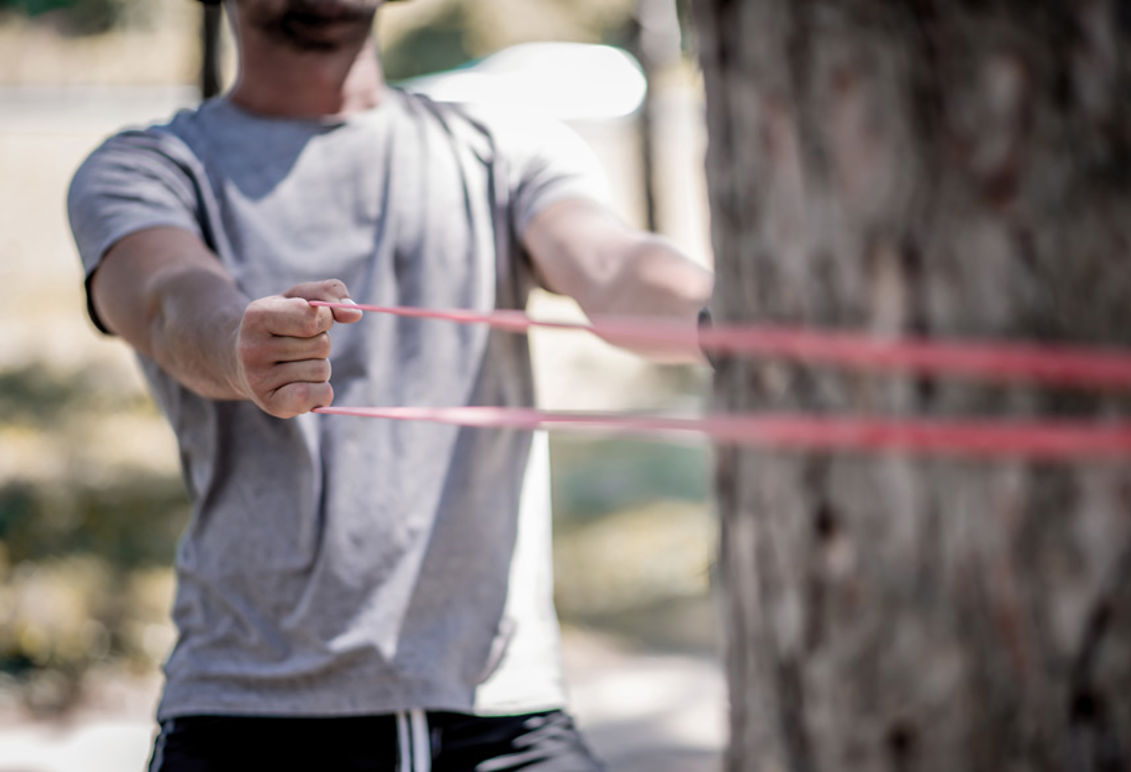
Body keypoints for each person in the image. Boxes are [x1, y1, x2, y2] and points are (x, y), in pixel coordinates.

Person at [65, 0, 713, 769]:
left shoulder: (501, 141)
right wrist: (242, 348)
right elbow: (169, 301)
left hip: (501, 714)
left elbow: (610, 266)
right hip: (249, 718)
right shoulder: (144, 168)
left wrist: (725, 320)